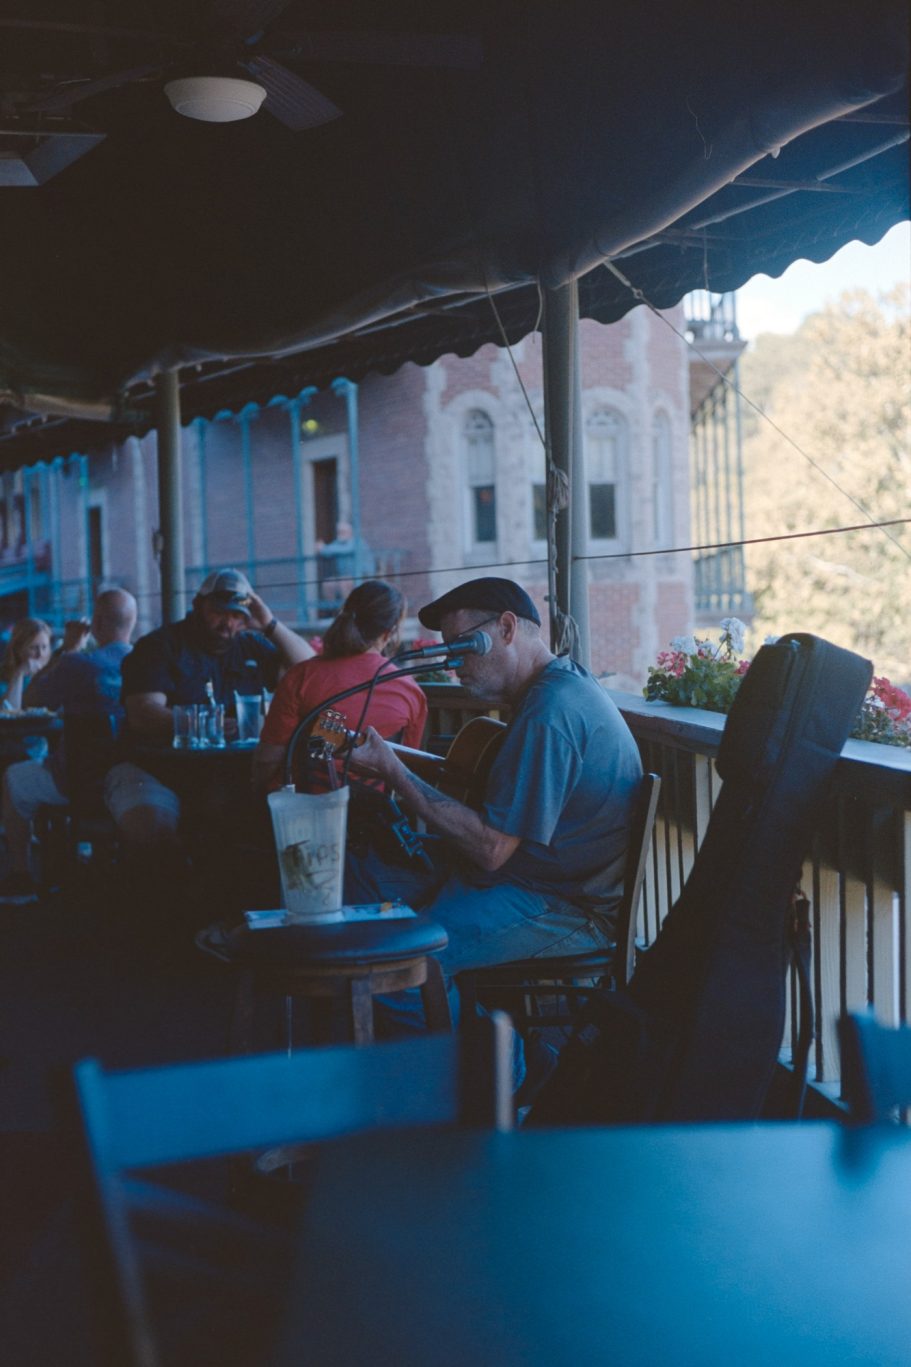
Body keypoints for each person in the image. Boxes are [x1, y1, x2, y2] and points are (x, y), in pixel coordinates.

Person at [343, 576, 643, 1094]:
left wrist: (394, 772)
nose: (452, 664)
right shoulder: (557, 686)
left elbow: (490, 849)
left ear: (506, 629)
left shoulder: (551, 713)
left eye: (462, 647)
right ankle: (446, 1065)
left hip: (567, 906)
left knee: (402, 964)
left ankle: (507, 1079)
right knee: (364, 876)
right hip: (527, 878)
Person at [105, 568, 313, 852]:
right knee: (153, 834)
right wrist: (205, 723)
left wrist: (270, 624)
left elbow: (309, 672)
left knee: (269, 829)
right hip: (154, 768)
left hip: (228, 773)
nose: (228, 622)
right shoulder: (158, 646)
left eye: (237, 615)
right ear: (197, 605)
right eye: (219, 611)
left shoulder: (250, 645)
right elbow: (143, 714)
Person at [0, 589, 138, 904]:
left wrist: (70, 649)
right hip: (133, 778)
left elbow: (31, 699)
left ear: (97, 623)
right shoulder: (146, 662)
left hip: (81, 781)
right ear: (131, 622)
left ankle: (22, 877)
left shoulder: (78, 664)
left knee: (13, 778)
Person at [253, 579, 427, 796]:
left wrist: (254, 791)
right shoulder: (411, 692)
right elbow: (406, 770)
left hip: (306, 808)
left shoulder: (302, 677)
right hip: (375, 812)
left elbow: (268, 759)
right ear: (388, 633)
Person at [0, 618, 52, 713]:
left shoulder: (54, 673)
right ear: (18, 649)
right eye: (33, 648)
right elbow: (10, 713)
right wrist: (19, 674)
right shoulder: (3, 676)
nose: (40, 654)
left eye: (44, 647)